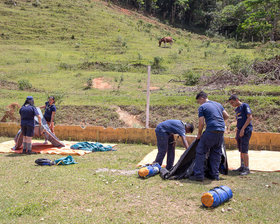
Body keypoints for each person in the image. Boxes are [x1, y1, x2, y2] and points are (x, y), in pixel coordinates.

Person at [189, 91, 229, 181]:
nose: (199, 103)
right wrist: (222, 125)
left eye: (199, 101)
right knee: (216, 153)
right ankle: (214, 175)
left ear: (202, 98)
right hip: (220, 132)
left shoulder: (202, 107)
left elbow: (201, 123)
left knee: (201, 151)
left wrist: (199, 134)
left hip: (211, 131)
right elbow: (226, 116)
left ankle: (199, 175)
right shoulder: (218, 104)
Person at [228, 94, 253, 175]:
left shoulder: (245, 106)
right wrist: (237, 131)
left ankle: (246, 168)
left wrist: (242, 129)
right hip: (239, 130)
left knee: (244, 150)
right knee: (241, 149)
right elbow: (239, 121)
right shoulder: (237, 109)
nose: (232, 105)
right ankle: (242, 166)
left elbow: (249, 117)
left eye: (232, 102)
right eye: (230, 103)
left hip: (245, 130)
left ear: (237, 100)